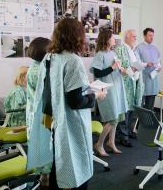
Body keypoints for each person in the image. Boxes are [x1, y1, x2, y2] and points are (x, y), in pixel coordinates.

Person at [26, 18, 107, 190]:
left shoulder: (50, 57)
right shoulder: (72, 61)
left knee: (57, 162)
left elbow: (52, 90)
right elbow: (76, 101)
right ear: (77, 36)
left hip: (51, 119)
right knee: (75, 167)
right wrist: (96, 96)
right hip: (69, 123)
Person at [91, 27, 128, 156]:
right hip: (108, 90)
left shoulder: (113, 53)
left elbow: (116, 67)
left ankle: (111, 142)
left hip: (117, 87)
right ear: (106, 40)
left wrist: (121, 69)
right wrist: (112, 68)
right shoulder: (100, 54)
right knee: (112, 118)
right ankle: (99, 144)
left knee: (117, 117)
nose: (114, 39)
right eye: (112, 37)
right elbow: (97, 72)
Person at [26, 37, 51, 187]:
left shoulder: (35, 66)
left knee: (42, 144)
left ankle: (44, 175)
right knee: (44, 144)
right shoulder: (39, 71)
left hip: (36, 113)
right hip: (41, 114)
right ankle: (44, 179)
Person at [115, 29, 144, 147]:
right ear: (126, 37)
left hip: (136, 82)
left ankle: (131, 130)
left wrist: (138, 68)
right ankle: (123, 136)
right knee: (125, 110)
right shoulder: (119, 49)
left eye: (136, 37)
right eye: (133, 37)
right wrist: (128, 70)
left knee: (134, 109)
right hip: (125, 84)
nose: (135, 39)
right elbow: (118, 66)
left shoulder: (135, 51)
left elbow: (138, 64)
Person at [135, 28, 161, 110]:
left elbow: (159, 61)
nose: (152, 37)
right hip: (144, 79)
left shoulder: (155, 48)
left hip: (153, 79)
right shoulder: (139, 48)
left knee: (151, 103)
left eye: (153, 35)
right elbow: (137, 63)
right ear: (144, 36)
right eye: (150, 35)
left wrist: (159, 67)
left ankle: (149, 121)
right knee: (141, 103)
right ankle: (139, 122)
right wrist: (146, 64)